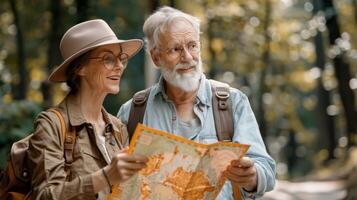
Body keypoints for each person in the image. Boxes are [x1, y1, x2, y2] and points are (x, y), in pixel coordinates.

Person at [117, 6, 276, 199]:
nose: (188, 57)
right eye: (175, 49)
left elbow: (266, 171)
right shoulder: (133, 112)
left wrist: (252, 177)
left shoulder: (232, 102)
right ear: (156, 57)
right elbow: (117, 183)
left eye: (192, 45)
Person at [28, 19, 148, 199]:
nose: (119, 66)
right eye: (108, 58)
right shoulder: (51, 124)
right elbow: (45, 195)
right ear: (80, 67)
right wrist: (105, 177)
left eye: (121, 58)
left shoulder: (118, 128)